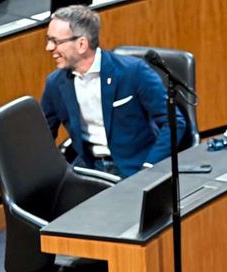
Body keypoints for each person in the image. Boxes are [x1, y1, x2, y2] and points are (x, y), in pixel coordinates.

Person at [40, 5, 184, 177]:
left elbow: (174, 122)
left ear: (81, 44)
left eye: (56, 42)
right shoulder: (55, 84)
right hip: (88, 171)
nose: (49, 48)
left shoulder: (133, 72)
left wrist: (150, 166)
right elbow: (43, 136)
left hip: (135, 168)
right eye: (48, 40)